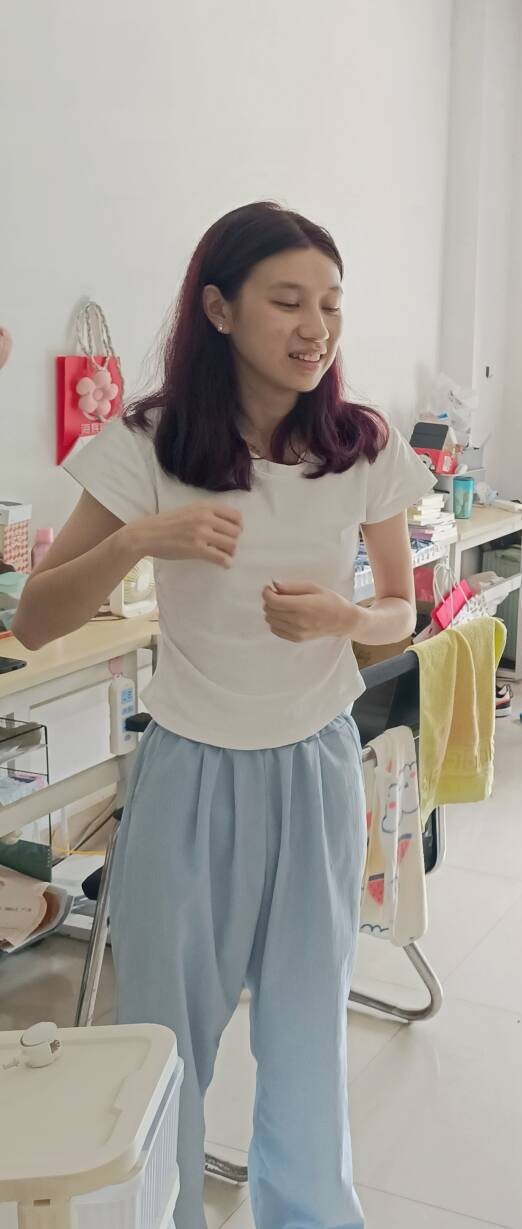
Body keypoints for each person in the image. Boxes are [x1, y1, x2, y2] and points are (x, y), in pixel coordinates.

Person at [13, 202, 433, 1229]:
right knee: (165, 1042)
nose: (314, 328)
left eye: (330, 304)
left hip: (315, 768)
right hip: (190, 774)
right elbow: (34, 617)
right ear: (218, 308)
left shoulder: (361, 445)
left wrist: (345, 617)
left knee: (306, 1033)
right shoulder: (148, 442)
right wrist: (136, 540)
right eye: (287, 301)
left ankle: (310, 1213)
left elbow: (402, 608)